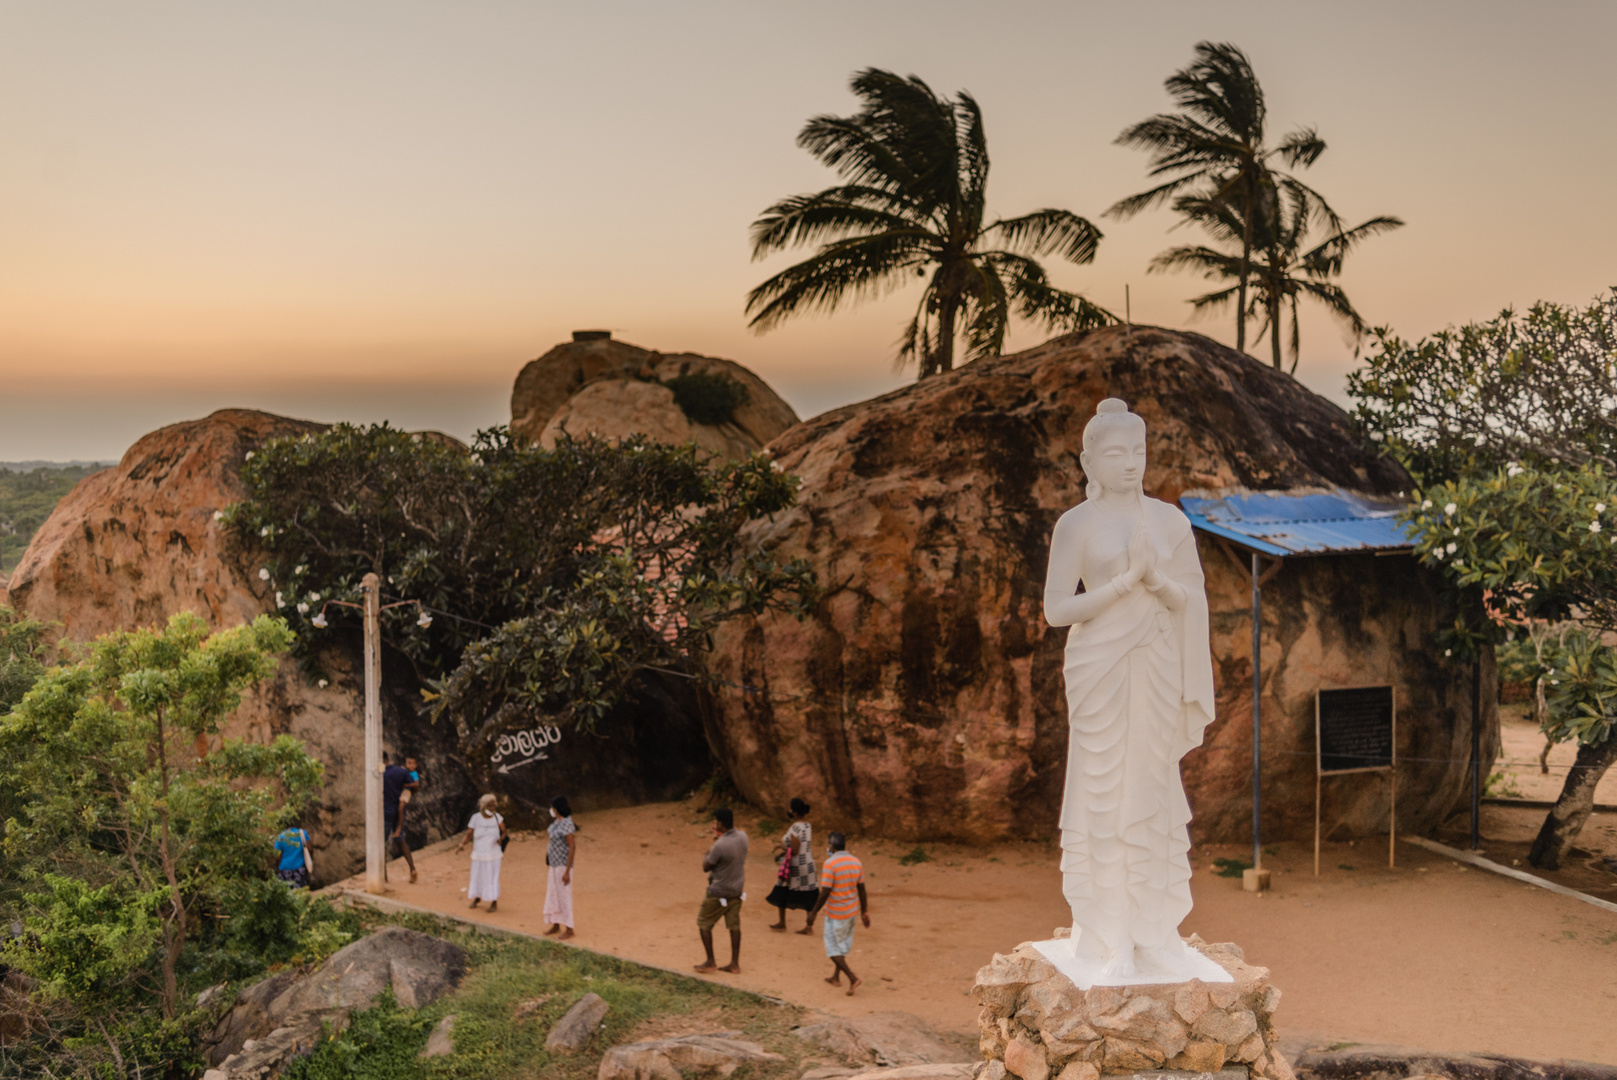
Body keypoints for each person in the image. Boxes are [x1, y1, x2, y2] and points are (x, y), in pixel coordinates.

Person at [1041, 397, 1216, 982]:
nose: (1129, 463)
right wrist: (1121, 585)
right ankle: (1108, 932)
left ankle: (1153, 931)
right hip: (1099, 668)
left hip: (1157, 663)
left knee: (1152, 789)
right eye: (1114, 453)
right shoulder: (1076, 524)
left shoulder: (1170, 521)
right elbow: (1057, 609)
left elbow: (1192, 599)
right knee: (1104, 792)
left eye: (1137, 451)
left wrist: (1157, 580)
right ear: (1088, 459)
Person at [805, 831, 869, 995]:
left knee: (832, 949)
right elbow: (861, 888)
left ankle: (853, 978)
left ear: (832, 846)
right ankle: (835, 977)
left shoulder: (830, 864)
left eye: (829, 844)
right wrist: (864, 911)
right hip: (851, 912)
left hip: (836, 914)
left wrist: (813, 913)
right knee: (841, 946)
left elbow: (825, 891)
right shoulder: (856, 862)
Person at [694, 807, 747, 974]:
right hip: (737, 890)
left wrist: (709, 849)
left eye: (716, 821)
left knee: (704, 923)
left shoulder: (719, 845)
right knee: (734, 926)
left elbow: (706, 866)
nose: (714, 824)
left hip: (718, 891)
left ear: (721, 824)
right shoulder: (743, 837)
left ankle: (710, 961)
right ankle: (734, 964)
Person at [766, 797, 817, 932]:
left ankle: (782, 922)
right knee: (808, 893)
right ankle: (809, 926)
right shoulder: (807, 826)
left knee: (782, 888)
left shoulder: (795, 827)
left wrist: (780, 847)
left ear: (794, 812)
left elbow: (794, 849)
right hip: (808, 863)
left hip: (796, 865)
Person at [456, 793, 507, 912]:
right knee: (477, 876)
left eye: (494, 806)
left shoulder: (497, 818)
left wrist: (501, 839)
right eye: (490, 806)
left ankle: (494, 901)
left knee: (492, 877)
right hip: (479, 853)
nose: (492, 808)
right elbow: (469, 833)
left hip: (493, 854)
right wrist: (462, 844)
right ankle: (476, 897)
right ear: (483, 806)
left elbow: (504, 832)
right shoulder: (475, 818)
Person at [543, 795, 577, 939]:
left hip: (563, 866)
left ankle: (569, 928)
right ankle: (556, 923)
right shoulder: (556, 822)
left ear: (557, 809)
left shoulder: (567, 824)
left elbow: (572, 846)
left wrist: (567, 871)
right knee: (553, 894)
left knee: (564, 896)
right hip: (554, 864)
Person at [381, 755, 419, 883]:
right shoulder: (401, 771)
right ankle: (412, 869)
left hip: (386, 812)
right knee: (400, 840)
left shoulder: (380, 775)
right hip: (399, 811)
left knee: (382, 844)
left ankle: (383, 875)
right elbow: (415, 786)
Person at [273, 824, 313, 889]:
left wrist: (277, 866)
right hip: (300, 870)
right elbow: (310, 849)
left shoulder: (280, 837)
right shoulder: (302, 834)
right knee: (300, 892)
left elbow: (277, 857)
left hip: (284, 870)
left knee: (286, 892)